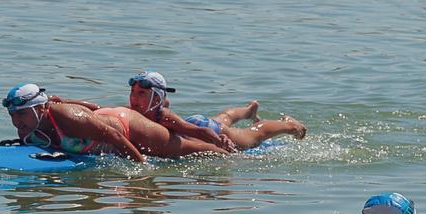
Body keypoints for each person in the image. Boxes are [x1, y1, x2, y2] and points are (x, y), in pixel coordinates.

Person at [123, 71, 306, 152]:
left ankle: (290, 124)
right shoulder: (136, 111)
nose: (134, 98)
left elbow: (199, 132)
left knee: (253, 135)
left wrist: (219, 141)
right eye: (132, 92)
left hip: (203, 130)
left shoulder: (164, 116)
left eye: (141, 94)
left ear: (156, 99)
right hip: (195, 123)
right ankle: (248, 111)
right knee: (224, 118)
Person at [3, 83, 144, 161]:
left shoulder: (67, 118)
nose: (16, 121)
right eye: (12, 115)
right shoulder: (26, 131)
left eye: (21, 114)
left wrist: (142, 170)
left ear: (40, 108)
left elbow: (115, 136)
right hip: (95, 124)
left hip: (126, 127)